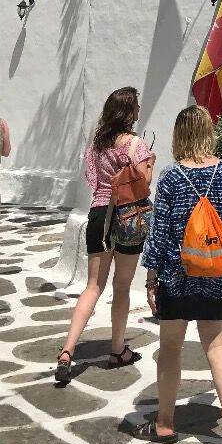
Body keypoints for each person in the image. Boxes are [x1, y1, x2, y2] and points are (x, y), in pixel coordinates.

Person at [138, 105, 222, 444]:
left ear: (179, 136)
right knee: (217, 346)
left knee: (171, 348)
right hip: (217, 276)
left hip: (177, 276)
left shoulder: (171, 177)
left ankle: (165, 424)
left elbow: (158, 233)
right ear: (208, 132)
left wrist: (151, 278)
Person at [55, 87, 155, 384]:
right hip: (128, 217)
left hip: (99, 214)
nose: (139, 110)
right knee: (121, 287)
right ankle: (117, 350)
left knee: (92, 286)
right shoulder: (135, 144)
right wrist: (149, 163)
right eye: (136, 105)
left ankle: (67, 351)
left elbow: (96, 182)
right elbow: (143, 183)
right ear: (128, 111)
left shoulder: (98, 145)